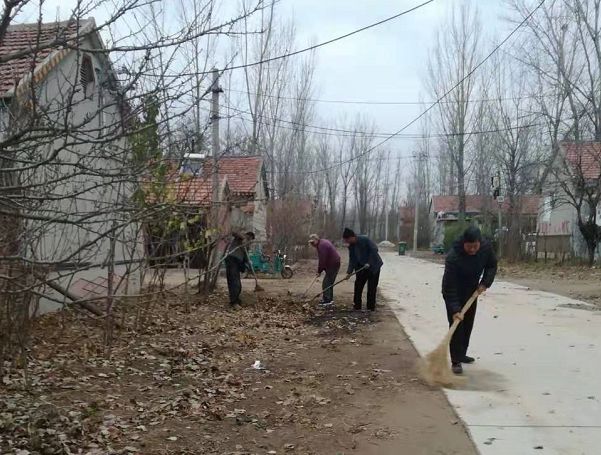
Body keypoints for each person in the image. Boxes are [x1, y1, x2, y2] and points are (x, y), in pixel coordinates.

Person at [442, 225, 497, 375]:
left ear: (479, 242)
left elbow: (492, 265)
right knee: (457, 325)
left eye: (475, 246)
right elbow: (448, 287)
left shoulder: (485, 248)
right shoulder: (454, 257)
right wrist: (454, 309)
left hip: (472, 290)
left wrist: (485, 282)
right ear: (463, 243)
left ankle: (462, 354)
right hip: (454, 292)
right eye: (469, 247)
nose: (472, 249)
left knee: (467, 325)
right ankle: (456, 361)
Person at [342, 228, 383, 311]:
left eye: (347, 240)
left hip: (373, 267)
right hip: (361, 268)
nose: (347, 242)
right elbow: (352, 259)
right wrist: (349, 272)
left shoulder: (364, 239)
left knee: (371, 288)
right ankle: (357, 306)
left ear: (352, 237)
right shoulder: (351, 246)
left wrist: (369, 262)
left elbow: (374, 250)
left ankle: (370, 308)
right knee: (358, 286)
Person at [309, 234, 341, 307]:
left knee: (326, 283)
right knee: (329, 282)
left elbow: (322, 260)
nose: (312, 244)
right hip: (333, 263)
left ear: (316, 240)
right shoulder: (322, 243)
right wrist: (321, 270)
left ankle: (327, 300)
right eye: (311, 243)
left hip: (333, 264)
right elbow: (324, 260)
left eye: (312, 242)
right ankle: (329, 299)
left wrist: (319, 271)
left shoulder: (322, 246)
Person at [224, 231, 255, 308]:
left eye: (251, 241)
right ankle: (234, 303)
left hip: (237, 263)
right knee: (234, 282)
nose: (250, 242)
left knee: (237, 284)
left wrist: (249, 263)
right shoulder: (239, 238)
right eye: (250, 239)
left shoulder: (246, 247)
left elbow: (245, 257)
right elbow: (234, 232)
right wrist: (243, 237)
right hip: (232, 260)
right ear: (248, 236)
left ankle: (236, 300)